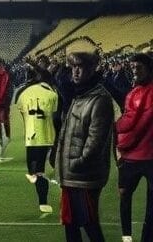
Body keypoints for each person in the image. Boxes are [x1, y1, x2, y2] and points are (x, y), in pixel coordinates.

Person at [56, 50, 114, 242]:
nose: (76, 72)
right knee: (71, 224)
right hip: (72, 176)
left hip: (83, 176)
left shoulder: (99, 99)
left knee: (89, 224)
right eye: (73, 67)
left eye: (80, 67)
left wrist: (76, 164)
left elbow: (95, 141)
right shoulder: (80, 95)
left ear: (91, 70)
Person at [115, 53, 153, 242]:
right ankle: (127, 236)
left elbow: (137, 125)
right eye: (133, 68)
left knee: (150, 203)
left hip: (144, 155)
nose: (135, 71)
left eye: (139, 67)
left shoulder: (147, 92)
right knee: (124, 195)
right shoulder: (133, 93)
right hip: (133, 156)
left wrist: (120, 141)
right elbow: (128, 120)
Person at [14, 64, 60, 215]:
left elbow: (21, 110)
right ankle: (43, 201)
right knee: (39, 170)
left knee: (33, 169)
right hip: (46, 136)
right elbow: (55, 116)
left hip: (30, 135)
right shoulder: (53, 94)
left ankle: (37, 182)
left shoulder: (25, 92)